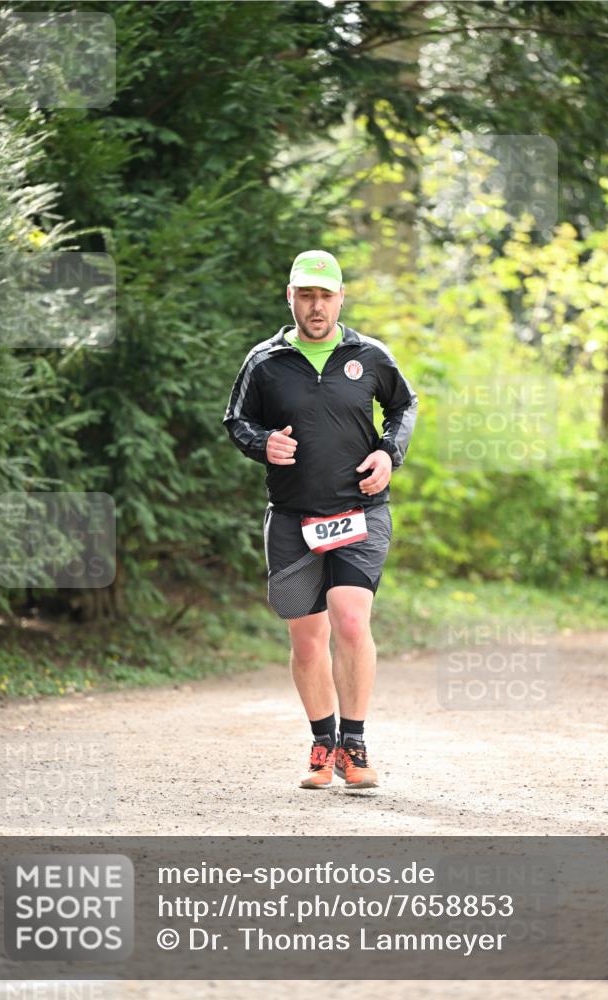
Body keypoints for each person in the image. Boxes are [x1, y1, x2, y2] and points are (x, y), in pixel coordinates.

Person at [223, 250, 418, 791]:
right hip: (291, 518)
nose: (316, 306)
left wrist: (388, 453)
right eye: (305, 295)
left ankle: (354, 745)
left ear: (340, 298)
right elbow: (236, 419)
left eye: (325, 296)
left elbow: (404, 406)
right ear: (290, 297)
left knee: (351, 620)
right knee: (308, 639)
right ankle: (322, 741)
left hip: (359, 511)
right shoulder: (264, 362)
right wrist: (262, 443)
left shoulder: (369, 356)